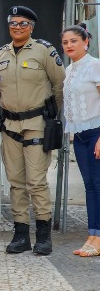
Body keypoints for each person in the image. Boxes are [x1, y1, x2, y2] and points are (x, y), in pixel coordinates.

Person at [0, 6, 65, 255]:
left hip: (37, 124)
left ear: (31, 27)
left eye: (23, 23)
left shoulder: (44, 50)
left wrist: (48, 115)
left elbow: (59, 86)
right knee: (15, 182)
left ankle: (43, 235)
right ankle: (21, 234)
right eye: (13, 23)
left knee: (36, 182)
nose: (17, 27)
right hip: (10, 126)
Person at [61, 24, 100, 257]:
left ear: (86, 42)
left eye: (74, 41)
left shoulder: (95, 65)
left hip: (96, 132)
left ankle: (98, 237)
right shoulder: (69, 70)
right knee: (90, 186)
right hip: (80, 134)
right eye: (65, 42)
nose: (69, 46)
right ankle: (92, 234)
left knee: (97, 186)